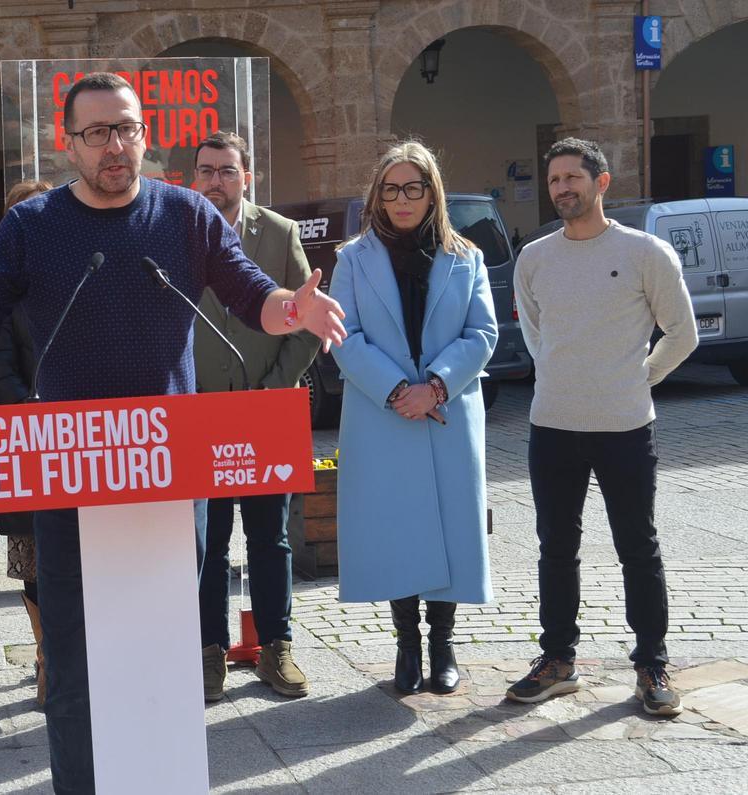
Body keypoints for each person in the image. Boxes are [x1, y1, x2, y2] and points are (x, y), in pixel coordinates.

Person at [0, 73, 346, 793]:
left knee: (166, 648)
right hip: (70, 468)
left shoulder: (186, 214)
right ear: (68, 143)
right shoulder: (32, 225)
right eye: (98, 133)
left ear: (145, 134)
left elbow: (249, 292)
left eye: (128, 129)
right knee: (76, 658)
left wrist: (290, 307)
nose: (115, 146)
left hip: (170, 467)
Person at [507, 138, 697, 715]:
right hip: (552, 426)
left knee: (638, 547)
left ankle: (652, 665)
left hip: (625, 427)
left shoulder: (646, 252)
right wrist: (561, 374)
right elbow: (536, 335)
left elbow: (682, 333)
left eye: (573, 177)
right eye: (554, 179)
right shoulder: (534, 258)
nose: (562, 188)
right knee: (555, 547)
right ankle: (557, 660)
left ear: (602, 182)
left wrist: (640, 377)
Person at [328, 141, 497, 695]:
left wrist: (436, 387)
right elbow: (343, 336)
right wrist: (400, 389)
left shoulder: (466, 257)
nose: (402, 200)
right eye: (391, 189)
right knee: (397, 528)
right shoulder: (353, 258)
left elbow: (482, 333)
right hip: (385, 414)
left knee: (449, 528)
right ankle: (406, 644)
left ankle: (443, 644)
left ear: (432, 193)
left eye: (413, 188)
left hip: (446, 411)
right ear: (377, 196)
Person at [190, 132, 320, 701]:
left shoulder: (279, 233)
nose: (215, 181)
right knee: (208, 543)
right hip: (198, 414)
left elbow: (306, 320)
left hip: (268, 408)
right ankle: (208, 652)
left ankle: (275, 647)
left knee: (271, 539)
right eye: (206, 170)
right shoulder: (178, 231)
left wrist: (275, 385)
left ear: (248, 177)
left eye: (226, 170)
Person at [0, 178, 53, 706]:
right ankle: (48, 654)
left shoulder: (82, 270)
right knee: (33, 561)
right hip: (29, 439)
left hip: (86, 438)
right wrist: (35, 416)